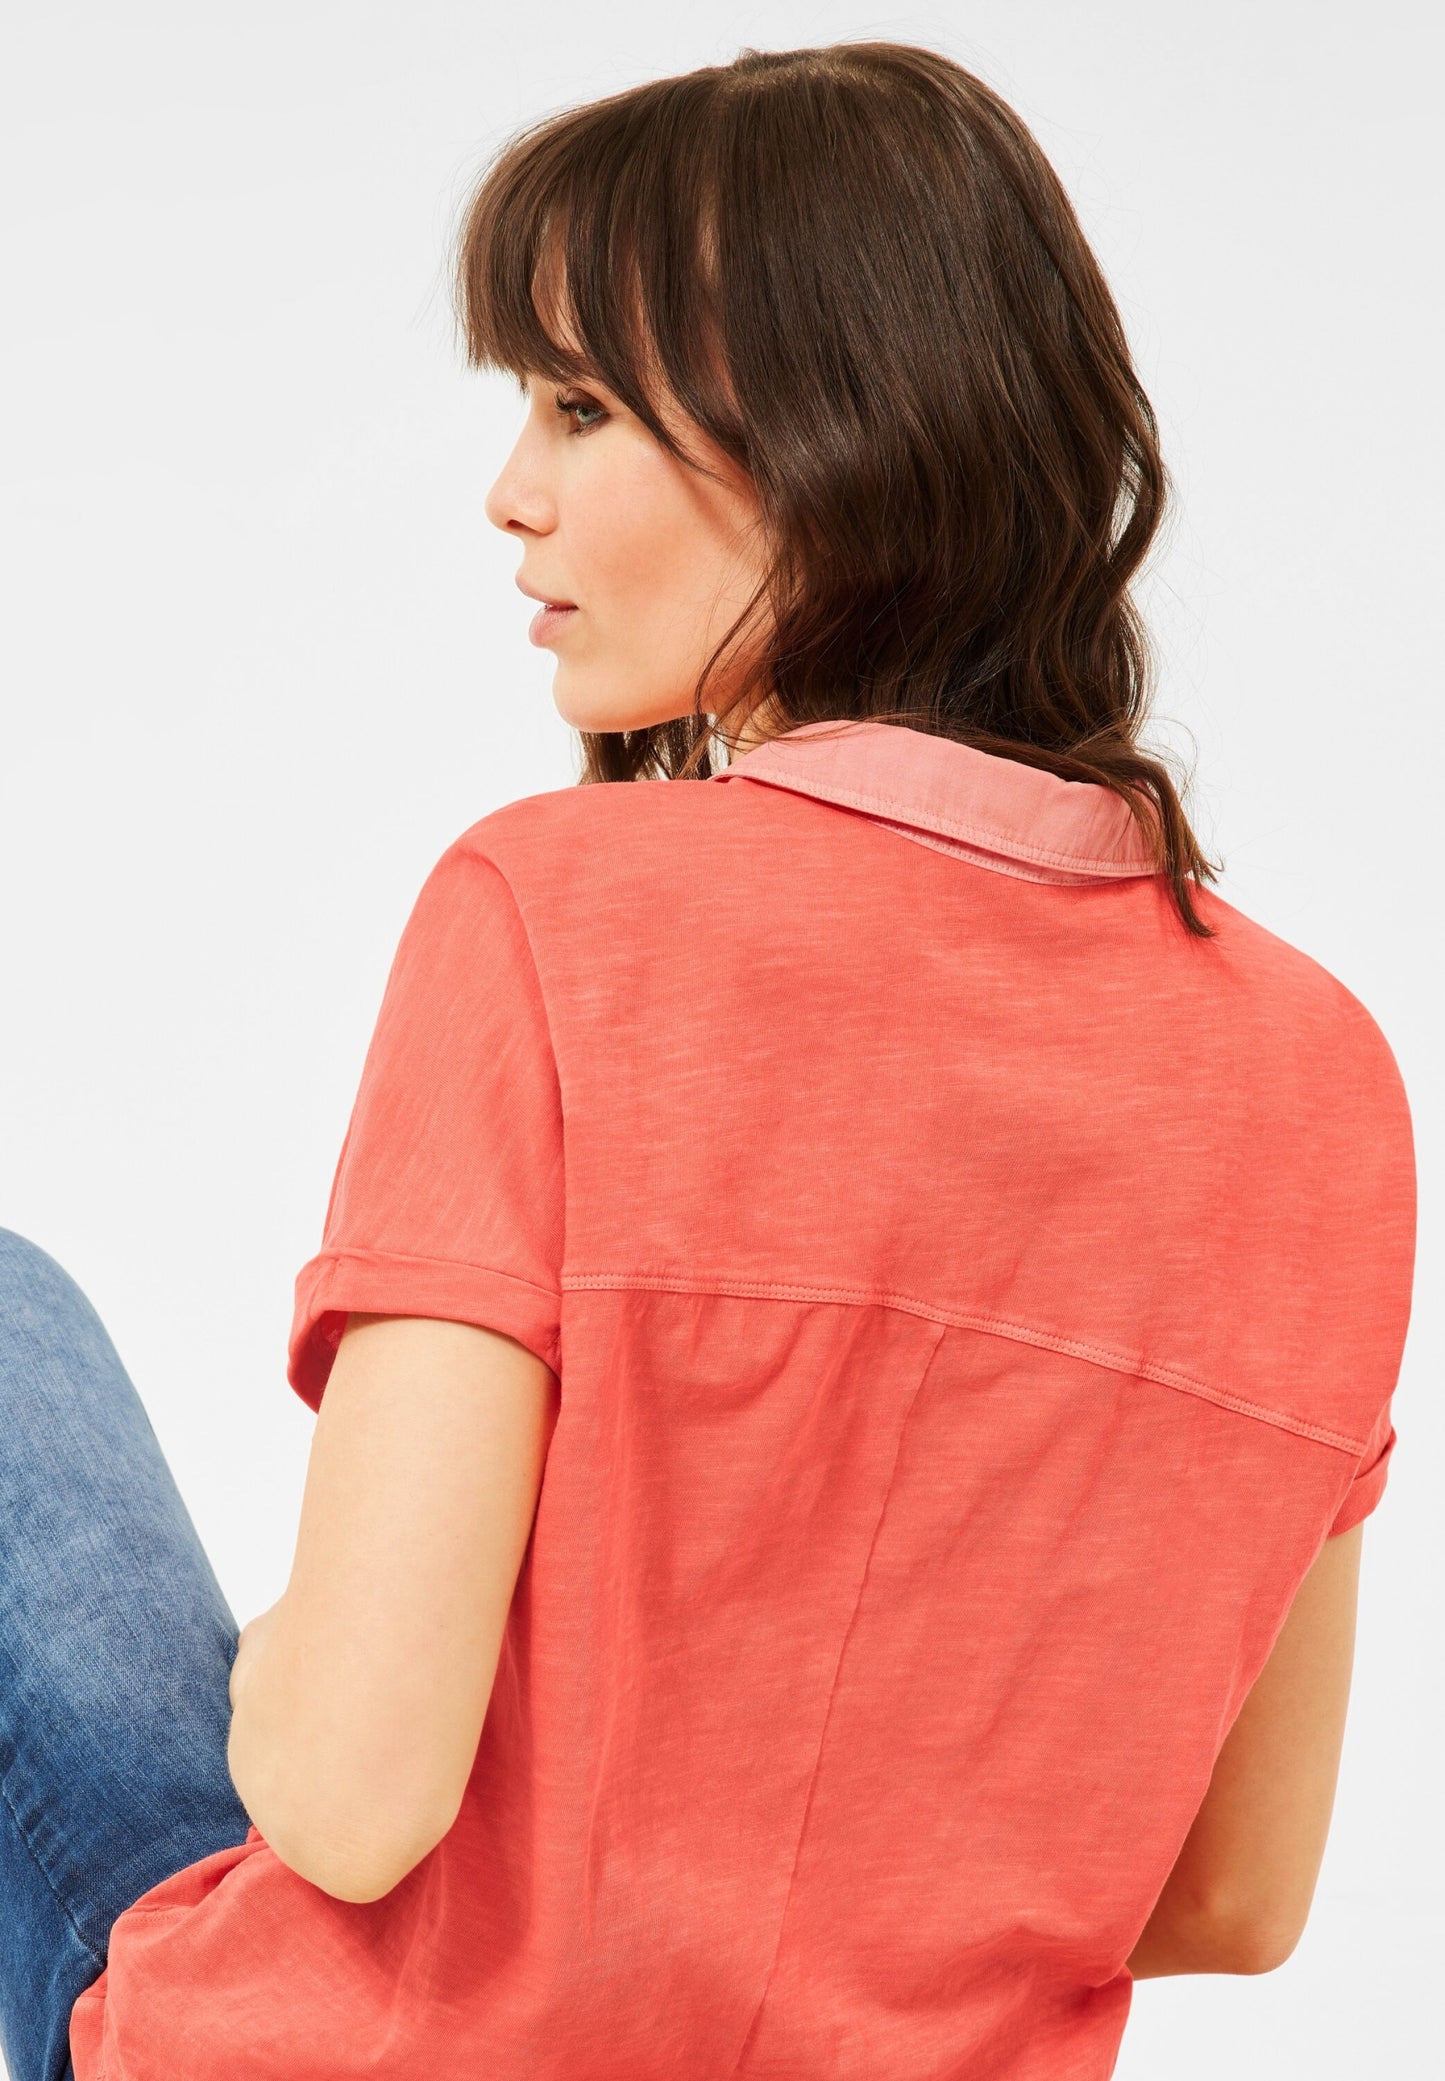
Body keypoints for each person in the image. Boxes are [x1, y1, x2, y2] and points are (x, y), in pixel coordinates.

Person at [0, 39, 1415, 2081]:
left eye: (580, 407)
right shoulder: (1325, 1082)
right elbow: (1233, 1896)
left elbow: (347, 1791)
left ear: (838, 431)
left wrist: (298, 1654)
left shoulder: (557, 909)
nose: (511, 490)